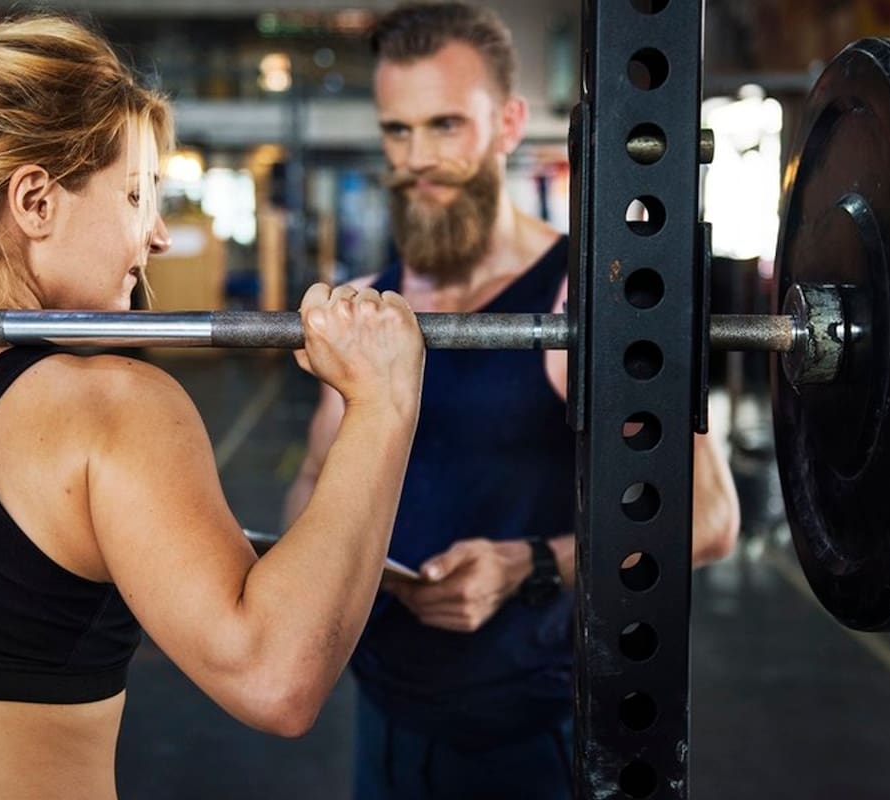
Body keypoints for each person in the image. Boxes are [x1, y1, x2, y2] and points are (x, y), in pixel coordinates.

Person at [0, 15, 426, 800]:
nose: (160, 236)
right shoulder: (116, 410)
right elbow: (276, 678)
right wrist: (382, 403)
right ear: (36, 201)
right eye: (138, 194)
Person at [282, 3, 741, 798]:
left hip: (529, 732)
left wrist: (528, 566)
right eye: (398, 130)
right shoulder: (366, 301)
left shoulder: (589, 300)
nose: (419, 157)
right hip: (385, 713)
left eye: (446, 124)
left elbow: (708, 517)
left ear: (509, 124)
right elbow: (316, 475)